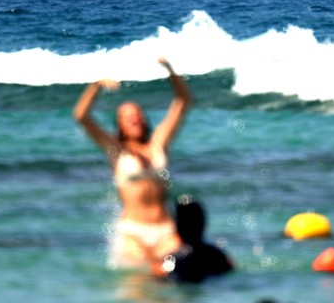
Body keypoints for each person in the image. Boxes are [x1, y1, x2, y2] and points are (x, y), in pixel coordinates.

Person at [74, 57, 192, 269]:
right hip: (133, 231)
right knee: (140, 289)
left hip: (166, 228)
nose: (134, 119)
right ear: (119, 125)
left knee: (174, 286)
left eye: (137, 115)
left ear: (144, 119)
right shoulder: (115, 149)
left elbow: (183, 101)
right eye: (127, 117)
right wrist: (96, 85)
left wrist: (170, 71)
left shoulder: (158, 143)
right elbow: (81, 116)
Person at [158, 195, 234, 283]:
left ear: (177, 226)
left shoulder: (173, 259)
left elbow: (160, 276)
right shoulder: (217, 255)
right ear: (203, 224)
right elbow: (231, 269)